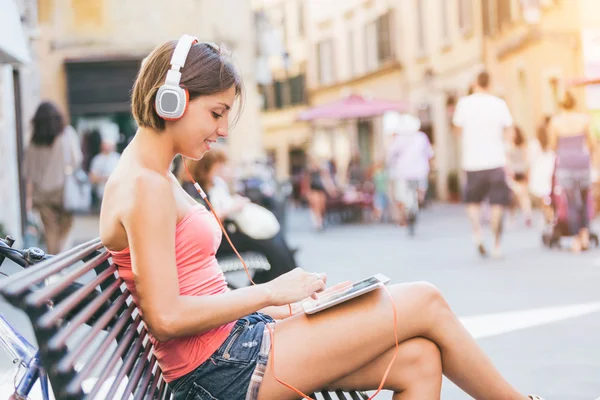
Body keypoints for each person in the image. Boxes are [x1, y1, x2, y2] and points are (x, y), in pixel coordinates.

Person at [98, 36, 542, 400]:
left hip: (231, 348)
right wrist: (271, 292)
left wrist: (289, 303)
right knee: (425, 299)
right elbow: (167, 317)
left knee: (421, 359)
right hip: (221, 368)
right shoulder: (146, 185)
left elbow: (189, 292)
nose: (220, 130)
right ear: (172, 101)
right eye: (216, 113)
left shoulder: (154, 177)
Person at [179, 148, 297, 284]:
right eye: (218, 168)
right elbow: (202, 222)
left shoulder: (211, 184)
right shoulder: (191, 189)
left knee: (275, 241)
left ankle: (285, 276)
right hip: (216, 241)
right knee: (270, 245)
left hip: (226, 233)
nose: (222, 172)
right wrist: (231, 209)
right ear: (205, 168)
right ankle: (286, 281)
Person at [452, 71, 514, 258]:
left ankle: (478, 235)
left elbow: (457, 130)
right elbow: (509, 130)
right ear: (489, 84)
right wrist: (507, 149)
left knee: (473, 203)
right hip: (496, 159)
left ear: (475, 83)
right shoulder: (499, 103)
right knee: (497, 204)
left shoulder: (464, 103)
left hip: (473, 162)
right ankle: (496, 244)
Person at [23, 101, 83, 254]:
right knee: (65, 227)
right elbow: (76, 160)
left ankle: (53, 263)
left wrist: (28, 199)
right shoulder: (66, 134)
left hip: (42, 194)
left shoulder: (33, 142)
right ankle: (60, 260)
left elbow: (28, 173)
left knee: (50, 231)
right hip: (63, 191)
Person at [548, 91, 595, 252]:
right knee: (584, 201)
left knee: (571, 203)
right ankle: (585, 235)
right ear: (574, 103)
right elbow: (592, 143)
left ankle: (576, 239)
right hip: (582, 163)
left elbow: (553, 145)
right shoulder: (584, 119)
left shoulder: (556, 122)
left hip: (566, 165)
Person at [385, 112, 434, 226]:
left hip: (403, 172)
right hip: (420, 171)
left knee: (401, 195)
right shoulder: (421, 137)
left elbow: (391, 155)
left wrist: (390, 165)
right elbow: (429, 154)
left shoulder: (399, 138)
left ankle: (405, 216)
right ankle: (417, 203)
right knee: (420, 191)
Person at [528, 116, 555, 230]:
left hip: (539, 173)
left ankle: (549, 217)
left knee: (544, 199)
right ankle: (550, 217)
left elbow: (529, 160)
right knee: (548, 198)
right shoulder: (552, 142)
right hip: (549, 172)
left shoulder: (534, 144)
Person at [506, 126, 533, 227]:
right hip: (511, 174)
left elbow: (527, 160)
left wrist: (527, 173)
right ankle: (512, 217)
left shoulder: (523, 145)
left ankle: (527, 215)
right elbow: (506, 160)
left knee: (523, 196)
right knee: (511, 198)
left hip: (520, 173)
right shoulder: (508, 145)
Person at [306, 155, 337, 231]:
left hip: (321, 190)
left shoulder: (322, 170)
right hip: (314, 190)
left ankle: (320, 222)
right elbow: (307, 181)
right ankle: (318, 223)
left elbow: (326, 180)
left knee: (322, 207)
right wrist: (307, 192)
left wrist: (331, 190)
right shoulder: (310, 170)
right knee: (316, 206)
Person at [89, 137, 121, 204]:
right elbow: (92, 178)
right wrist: (105, 178)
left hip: (117, 194)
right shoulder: (97, 160)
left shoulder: (118, 158)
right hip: (102, 194)